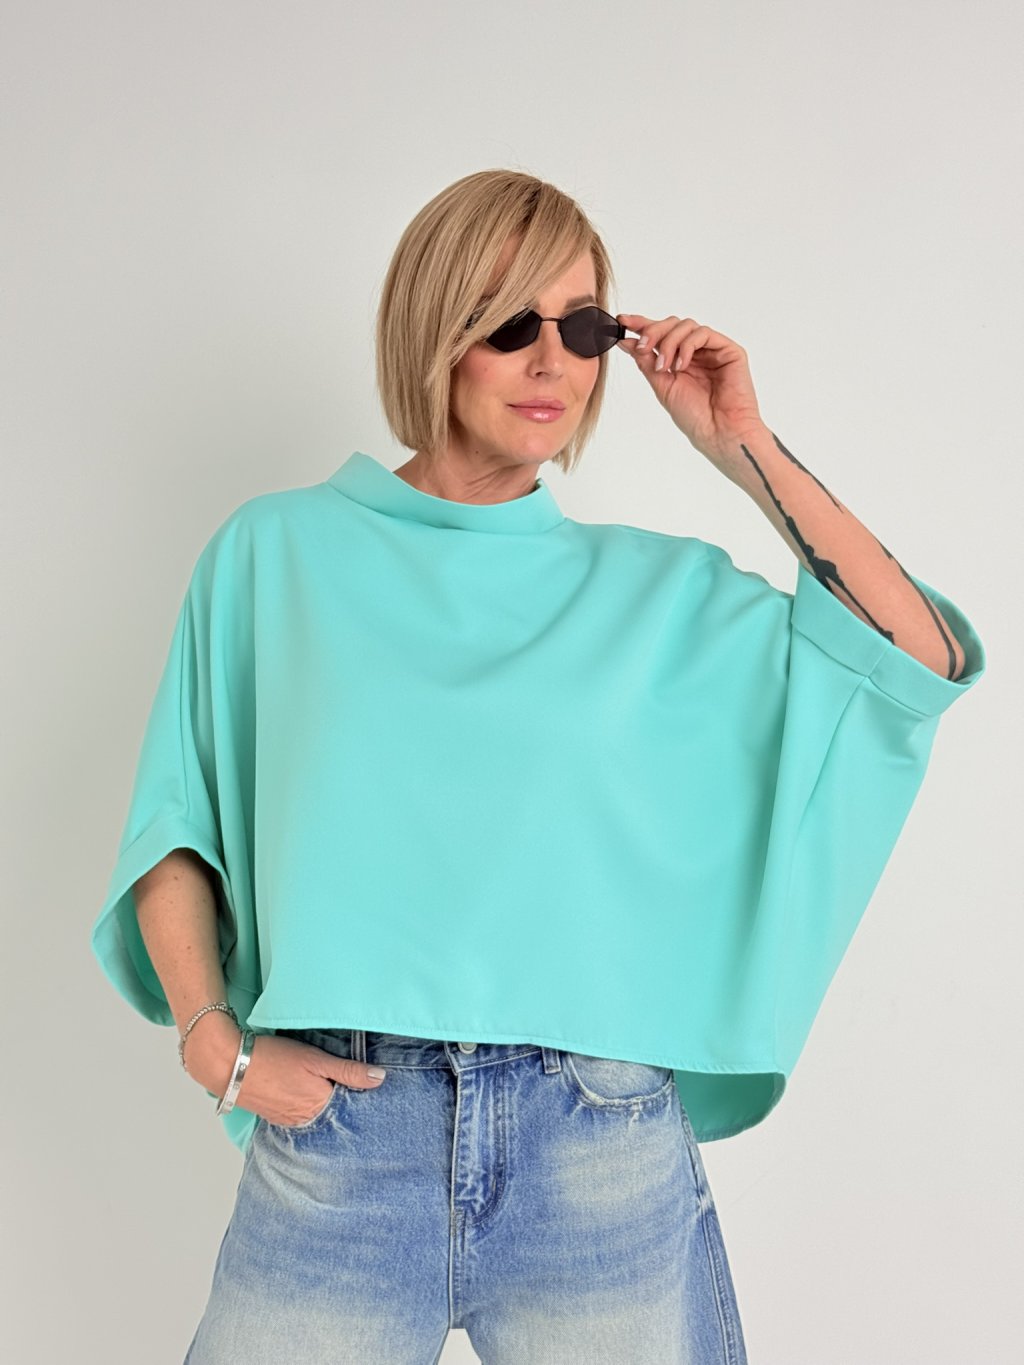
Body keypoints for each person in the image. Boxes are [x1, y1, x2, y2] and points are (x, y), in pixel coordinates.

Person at [92, 168, 985, 1364]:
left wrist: (741, 445)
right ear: (435, 330)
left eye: (584, 328)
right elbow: (178, 819)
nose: (552, 361)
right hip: (342, 1132)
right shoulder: (275, 553)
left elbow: (913, 659)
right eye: (511, 324)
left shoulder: (658, 593)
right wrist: (213, 1040)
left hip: (595, 1138)